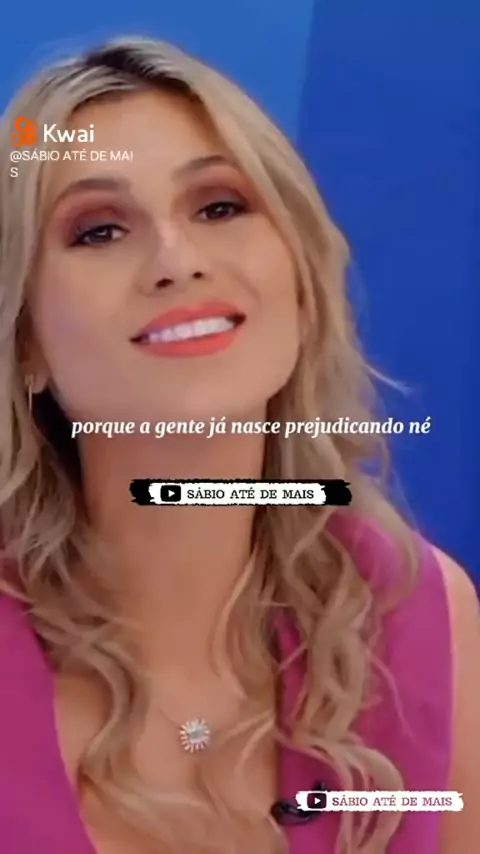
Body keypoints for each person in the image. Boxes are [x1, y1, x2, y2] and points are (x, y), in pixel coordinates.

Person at [0, 35, 478, 854]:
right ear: (25, 345)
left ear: (299, 279)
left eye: (219, 207)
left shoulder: (419, 612)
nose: (177, 261)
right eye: (100, 230)